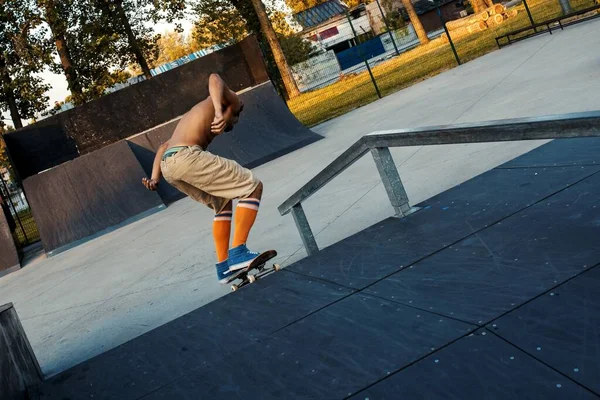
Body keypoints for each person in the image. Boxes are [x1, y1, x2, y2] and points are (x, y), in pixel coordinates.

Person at [142, 73, 263, 284]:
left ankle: (224, 267)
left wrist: (154, 179)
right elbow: (214, 78)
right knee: (252, 186)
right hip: (187, 157)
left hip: (170, 166)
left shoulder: (192, 116)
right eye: (233, 122)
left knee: (223, 203)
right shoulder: (233, 101)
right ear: (234, 110)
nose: (230, 126)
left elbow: (162, 147)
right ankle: (239, 252)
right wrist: (219, 112)